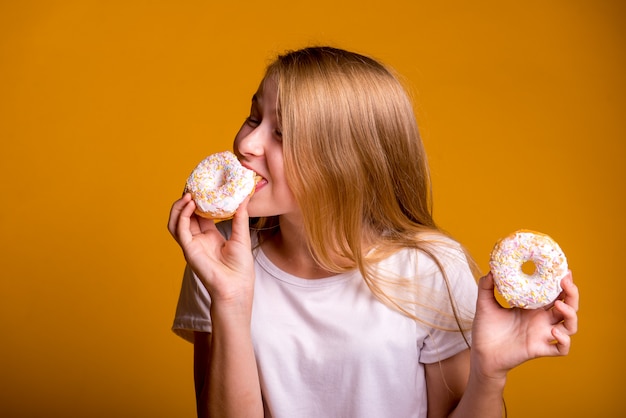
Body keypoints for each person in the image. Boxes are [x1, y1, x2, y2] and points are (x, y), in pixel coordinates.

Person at [167, 46, 579, 418]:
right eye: (254, 117)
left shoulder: (431, 268)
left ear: (344, 160)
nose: (248, 143)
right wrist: (230, 298)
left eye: (282, 133)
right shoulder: (222, 259)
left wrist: (487, 376)